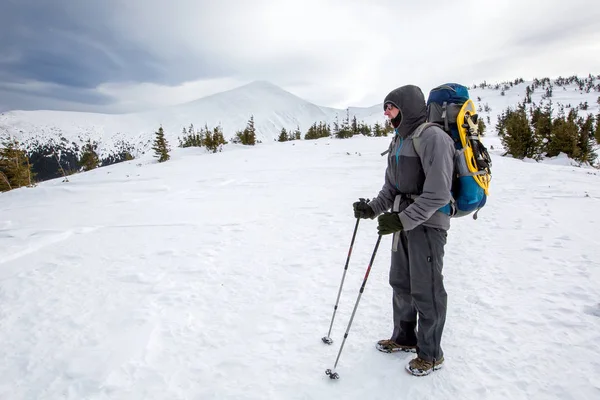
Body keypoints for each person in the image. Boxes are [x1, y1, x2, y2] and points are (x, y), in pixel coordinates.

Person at [352, 84, 455, 377]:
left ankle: (431, 354)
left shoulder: (433, 138)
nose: (386, 112)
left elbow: (438, 194)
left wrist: (402, 219)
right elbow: (391, 188)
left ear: (407, 107)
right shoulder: (399, 140)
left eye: (391, 106)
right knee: (401, 283)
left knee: (427, 289)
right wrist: (372, 209)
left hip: (429, 225)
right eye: (385, 106)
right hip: (405, 222)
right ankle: (404, 337)